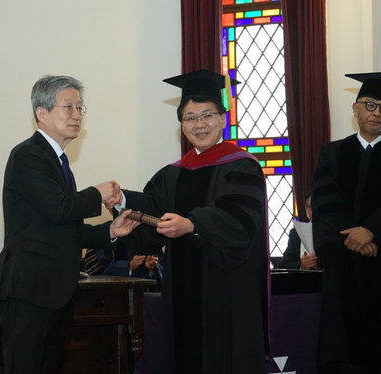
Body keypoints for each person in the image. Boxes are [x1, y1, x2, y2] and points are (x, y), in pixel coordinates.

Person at [110, 69, 270, 374]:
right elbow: (154, 209)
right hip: (182, 289)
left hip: (228, 290)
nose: (199, 124)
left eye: (207, 115)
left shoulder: (243, 167)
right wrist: (124, 202)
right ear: (181, 124)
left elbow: (240, 218)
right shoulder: (173, 173)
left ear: (223, 118)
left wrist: (194, 224)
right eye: (190, 117)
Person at [0, 75, 139, 374]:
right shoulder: (28, 155)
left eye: (80, 108)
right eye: (68, 107)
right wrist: (98, 192)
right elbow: (60, 209)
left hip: (55, 289)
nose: (76, 115)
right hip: (30, 289)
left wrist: (110, 231)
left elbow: (68, 226)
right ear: (41, 114)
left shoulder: (58, 161)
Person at [312, 72, 381, 373]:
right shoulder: (331, 152)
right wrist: (353, 240)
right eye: (369, 105)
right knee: (344, 350)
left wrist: (372, 231)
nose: (376, 113)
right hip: (344, 266)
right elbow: (326, 204)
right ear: (355, 109)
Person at [83, 242, 164, 292]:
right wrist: (128, 267)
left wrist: (149, 268)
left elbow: (163, 268)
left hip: (144, 301)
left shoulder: (148, 236)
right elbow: (96, 273)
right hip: (112, 301)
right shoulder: (102, 235)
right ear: (111, 212)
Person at [279, 191, 320, 270]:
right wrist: (301, 265)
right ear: (306, 211)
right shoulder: (296, 233)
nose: (315, 210)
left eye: (318, 206)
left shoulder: (336, 231)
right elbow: (283, 264)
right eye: (311, 207)